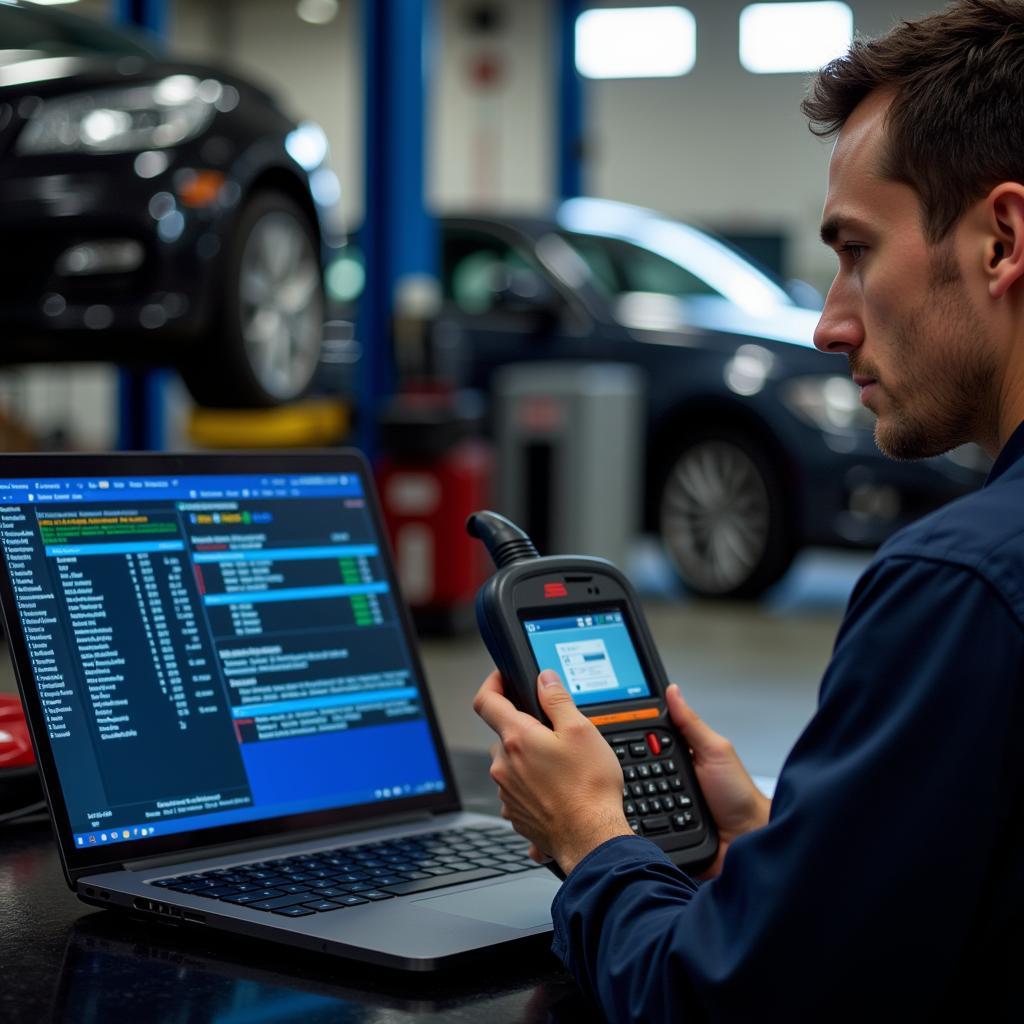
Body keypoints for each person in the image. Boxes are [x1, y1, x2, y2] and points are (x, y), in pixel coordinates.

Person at [473, 2, 1024, 1019]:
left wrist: (594, 835)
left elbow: (716, 1002)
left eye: (856, 250)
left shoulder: (959, 585)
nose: (827, 321)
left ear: (1000, 240)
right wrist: (809, 845)